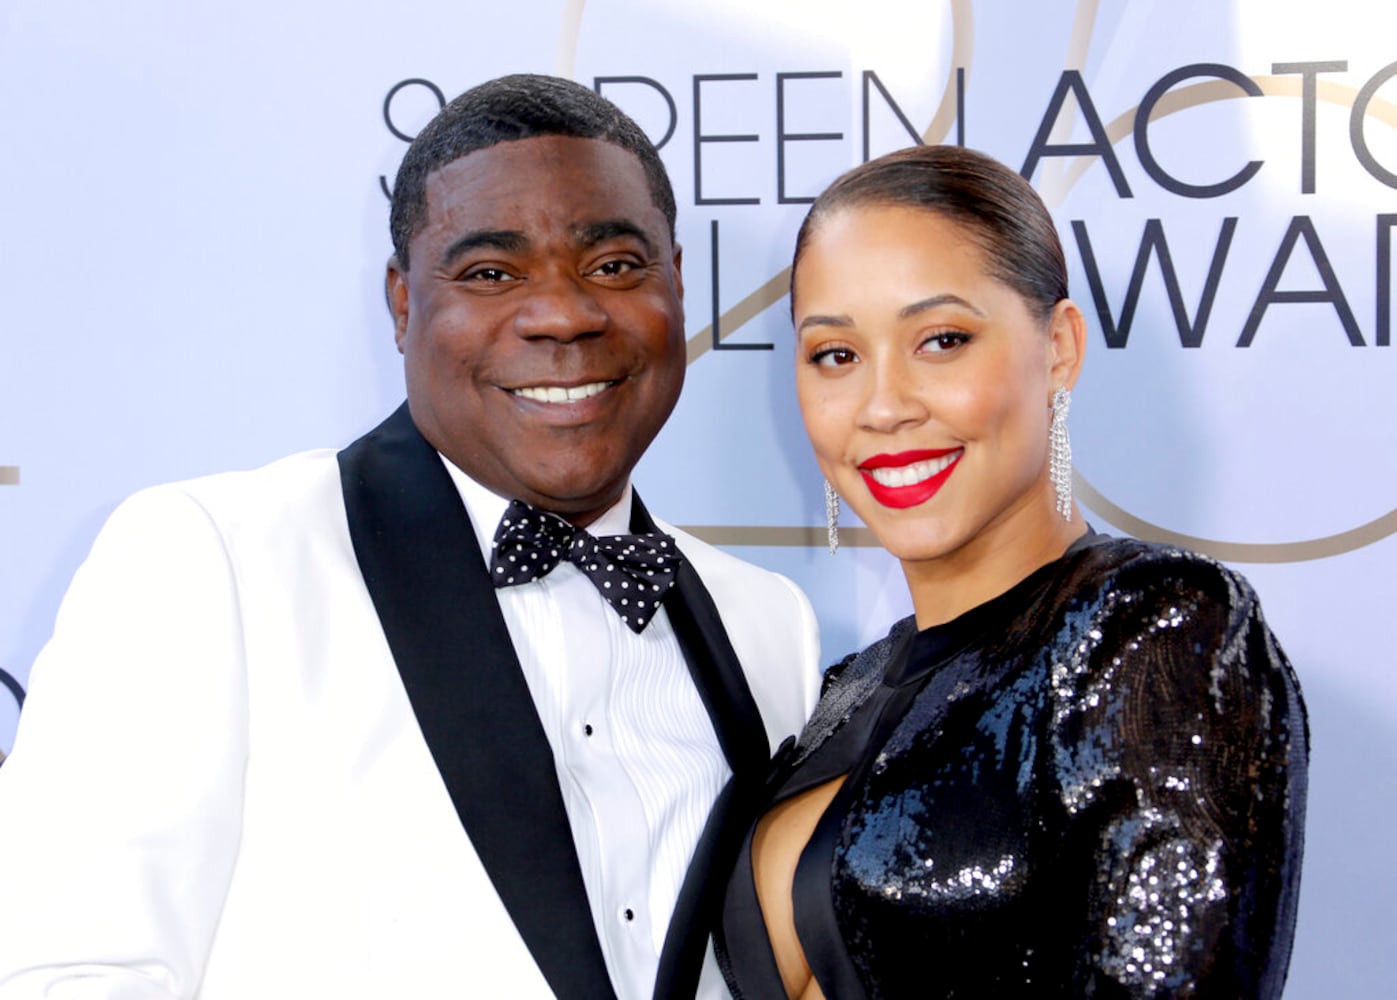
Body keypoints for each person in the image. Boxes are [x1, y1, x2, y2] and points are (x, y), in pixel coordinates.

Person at [0, 74, 821, 1000]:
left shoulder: (767, 622)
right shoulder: (214, 560)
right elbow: (66, 972)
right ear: (402, 305)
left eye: (614, 265)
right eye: (490, 273)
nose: (562, 314)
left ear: (677, 281)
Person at [714, 145, 1308, 999]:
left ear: (1058, 348)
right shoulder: (841, 690)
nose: (883, 406)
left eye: (941, 340)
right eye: (836, 355)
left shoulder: (1151, 630)